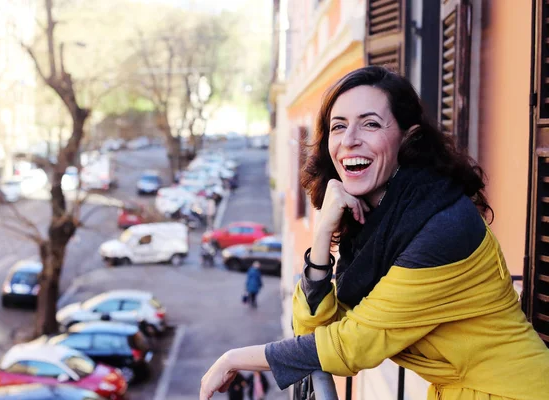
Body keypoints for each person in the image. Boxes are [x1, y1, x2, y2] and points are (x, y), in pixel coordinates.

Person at [199, 66, 549, 400]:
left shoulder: (443, 226)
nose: (350, 140)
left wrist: (235, 358)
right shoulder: (380, 222)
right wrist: (322, 234)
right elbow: (312, 330)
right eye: (338, 127)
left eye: (370, 124)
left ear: (407, 138)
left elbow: (353, 345)